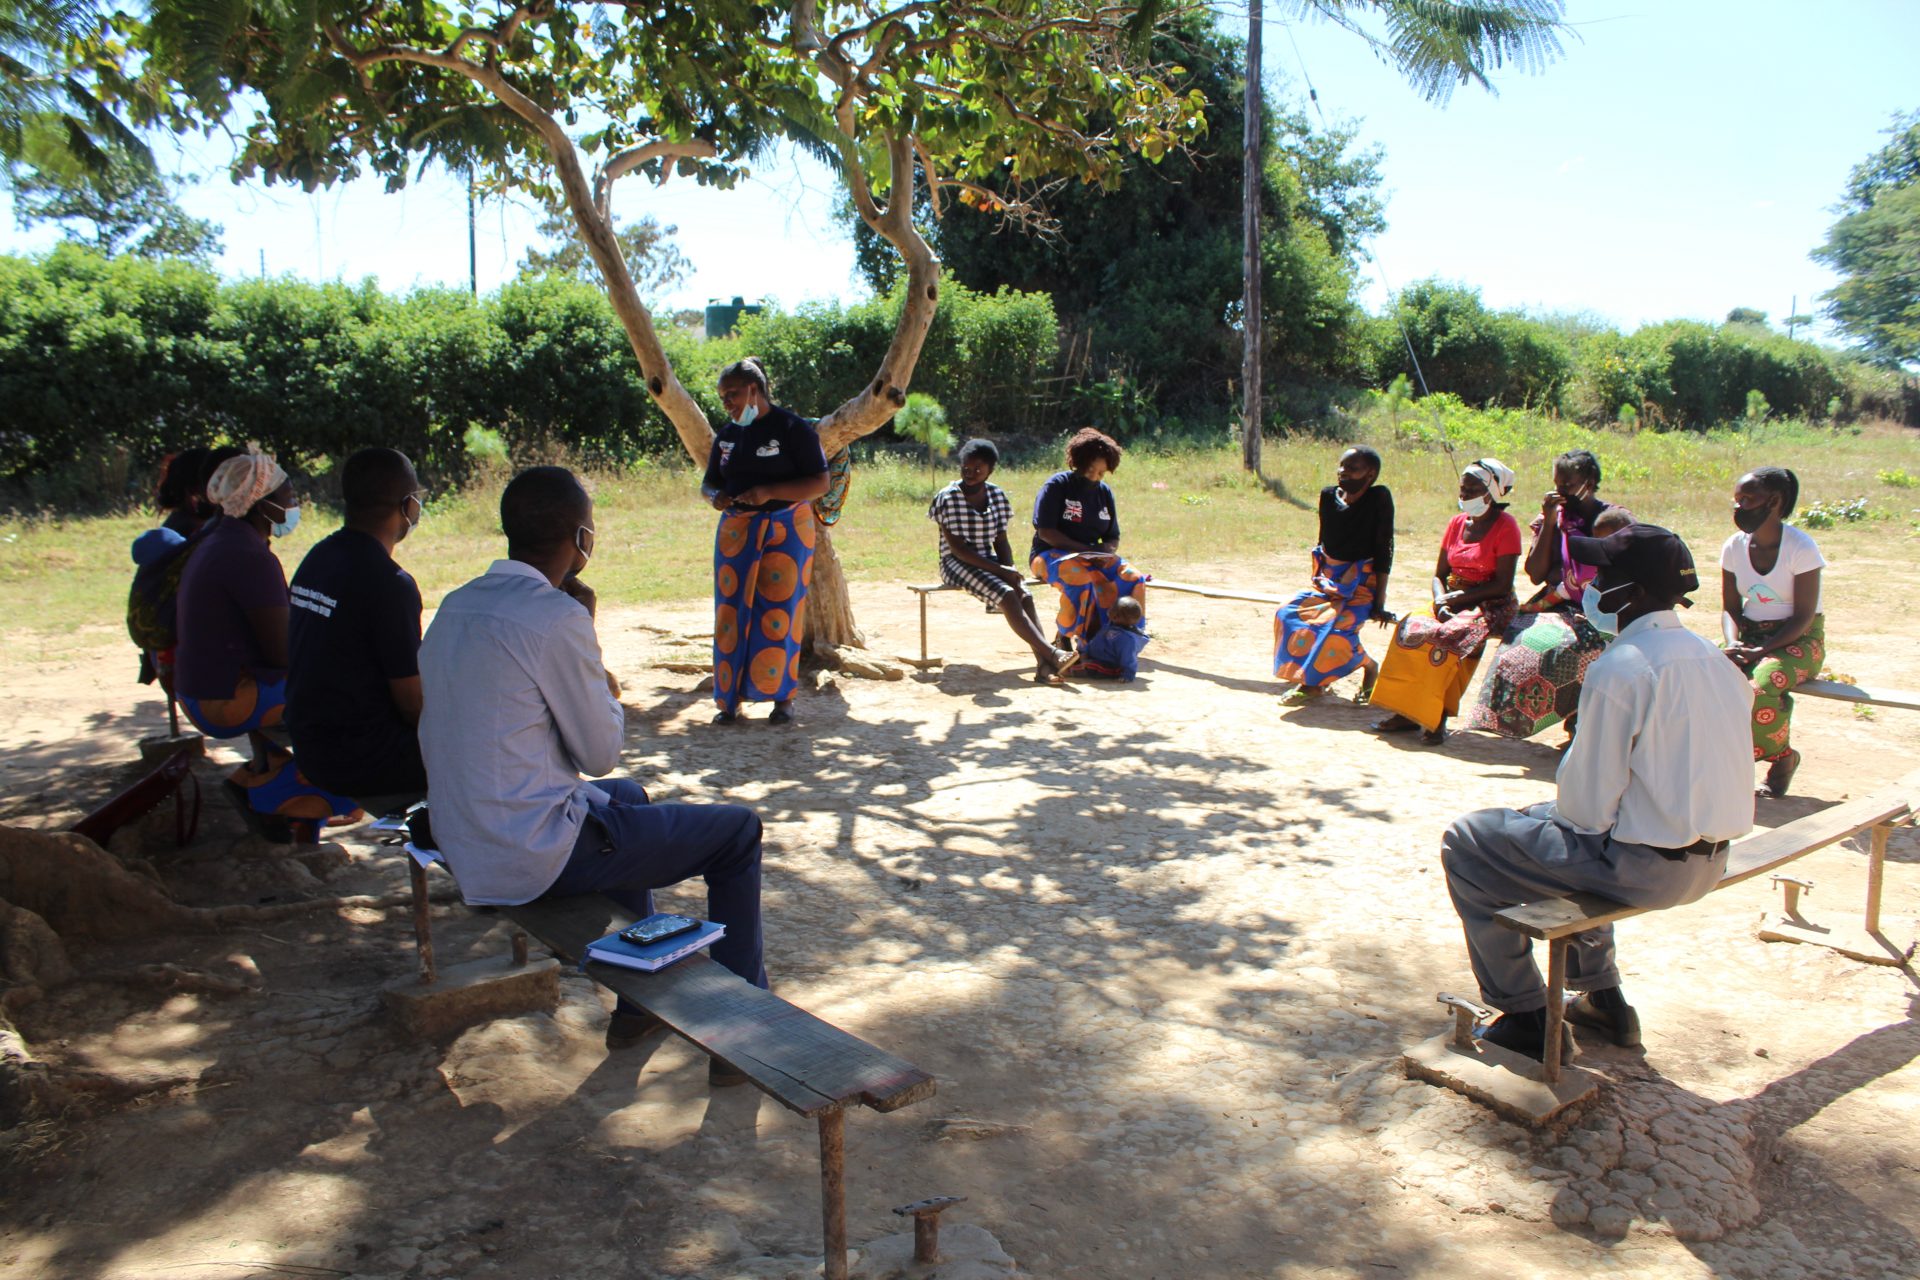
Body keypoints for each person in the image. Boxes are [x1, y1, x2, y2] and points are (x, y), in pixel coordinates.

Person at [418, 466, 768, 1080]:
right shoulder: (556, 619)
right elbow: (599, 751)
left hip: (465, 837)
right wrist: (591, 646)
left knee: (628, 799)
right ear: (582, 540)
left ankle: (637, 1001)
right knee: (737, 834)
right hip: (527, 853)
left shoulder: (457, 603)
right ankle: (741, 1031)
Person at [1439, 524, 1753, 1060]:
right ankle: (1604, 997)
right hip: (1710, 860)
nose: (1590, 585)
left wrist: (1548, 821)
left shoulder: (1623, 667)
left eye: (1602, 576)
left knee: (1471, 841)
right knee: (1544, 832)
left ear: (1631, 593)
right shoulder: (1713, 659)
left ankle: (1527, 1015)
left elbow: (1584, 809)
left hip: (1645, 870)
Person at [173, 448, 358, 826]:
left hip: (197, 688)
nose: (294, 505)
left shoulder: (220, 539)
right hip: (221, 698)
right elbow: (282, 653)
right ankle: (288, 800)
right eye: (288, 497)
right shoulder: (247, 555)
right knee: (351, 699)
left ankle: (261, 774)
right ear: (261, 504)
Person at [285, 448, 428, 801]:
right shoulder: (390, 583)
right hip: (359, 758)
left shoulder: (319, 556)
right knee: (488, 753)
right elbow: (413, 706)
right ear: (409, 505)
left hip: (309, 741)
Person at [1467, 450, 1631, 742]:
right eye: (1557, 485)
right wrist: (1551, 520)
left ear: (1590, 482)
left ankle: (1580, 724)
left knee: (1577, 649)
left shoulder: (1613, 519)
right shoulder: (1551, 518)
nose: (1560, 492)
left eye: (1568, 485)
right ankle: (1505, 720)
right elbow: (1535, 572)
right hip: (1558, 600)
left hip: (1602, 605)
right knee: (1519, 644)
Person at [701, 357, 831, 725]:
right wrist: (715, 497)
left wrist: (769, 492)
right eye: (722, 396)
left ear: (754, 391)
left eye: (732, 394)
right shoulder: (727, 435)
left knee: (782, 612)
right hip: (736, 533)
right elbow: (709, 482)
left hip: (786, 529)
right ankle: (729, 702)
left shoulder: (792, 429)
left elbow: (820, 482)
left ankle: (782, 699)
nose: (726, 402)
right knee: (731, 612)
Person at [1370, 458, 1523, 746]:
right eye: (1463, 489)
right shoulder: (1456, 523)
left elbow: (1502, 583)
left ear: (1491, 492)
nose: (1464, 496)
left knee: (1451, 636)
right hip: (1453, 597)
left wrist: (1460, 600)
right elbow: (1440, 574)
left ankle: (1437, 715)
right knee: (1410, 627)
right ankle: (1405, 710)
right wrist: (1440, 600)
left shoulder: (1506, 527)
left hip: (1491, 602)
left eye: (1472, 490)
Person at [928, 438, 1077, 682]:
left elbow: (1001, 542)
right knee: (1006, 594)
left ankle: (1043, 666)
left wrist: (1011, 570)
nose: (970, 473)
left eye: (978, 469)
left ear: (990, 470)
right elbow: (958, 550)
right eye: (966, 467)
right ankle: (1051, 653)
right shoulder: (949, 497)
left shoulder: (996, 495)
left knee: (1022, 593)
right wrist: (1000, 571)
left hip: (988, 560)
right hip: (954, 562)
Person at [1721, 467, 1826, 799]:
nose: (1739, 507)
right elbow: (1730, 608)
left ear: (1775, 501)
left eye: (1748, 499)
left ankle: (1782, 759)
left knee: (1762, 685)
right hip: (1750, 636)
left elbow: (1805, 616)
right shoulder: (1734, 547)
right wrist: (1732, 643)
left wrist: (1762, 650)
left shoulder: (1801, 548)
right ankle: (1716, 766)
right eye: (1737, 500)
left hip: (1800, 640)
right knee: (1703, 673)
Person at [1273, 446, 1396, 699]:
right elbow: (1324, 542)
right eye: (1342, 466)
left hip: (1362, 586)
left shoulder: (1378, 498)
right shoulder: (1329, 496)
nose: (1343, 472)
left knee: (1337, 627)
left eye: (1353, 468)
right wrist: (1323, 582)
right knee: (1288, 613)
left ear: (1370, 474)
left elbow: (1384, 550)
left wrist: (1379, 601)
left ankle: (1368, 668)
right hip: (1329, 583)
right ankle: (1313, 681)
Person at [1029, 428, 1148, 648]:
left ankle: (1122, 637)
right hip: (1047, 555)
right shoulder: (1056, 486)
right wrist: (1083, 550)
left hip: (1092, 556)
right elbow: (1046, 531)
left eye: (1101, 473)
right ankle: (1066, 638)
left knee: (1133, 578)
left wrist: (1105, 553)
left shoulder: (1104, 493)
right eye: (1090, 470)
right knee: (1082, 578)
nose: (1094, 477)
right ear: (1078, 462)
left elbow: (1112, 536)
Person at [1077, 595, 1151, 681]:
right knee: (1073, 656)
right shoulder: (1111, 625)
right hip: (1092, 656)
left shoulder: (1127, 640)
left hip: (1109, 666)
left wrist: (1128, 675)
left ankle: (1067, 670)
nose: (1110, 607)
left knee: (1089, 666)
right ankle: (1065, 662)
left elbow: (1129, 659)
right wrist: (1084, 652)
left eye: (1113, 607)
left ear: (1116, 617)